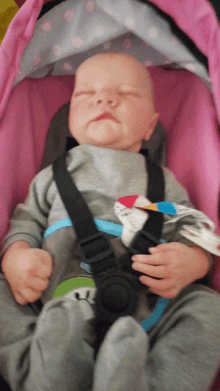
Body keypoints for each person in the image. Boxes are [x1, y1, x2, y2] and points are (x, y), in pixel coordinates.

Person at [0, 52, 220, 391]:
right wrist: (15, 256)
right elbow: (25, 221)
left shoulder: (165, 182)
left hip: (146, 310)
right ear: (70, 116)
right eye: (86, 93)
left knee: (208, 309)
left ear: (150, 124)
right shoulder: (50, 178)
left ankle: (146, 381)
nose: (104, 98)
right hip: (52, 309)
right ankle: (44, 372)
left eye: (127, 93)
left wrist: (194, 261)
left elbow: (194, 230)